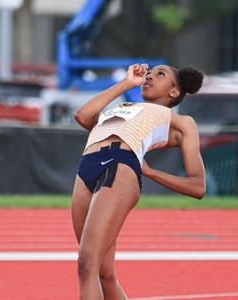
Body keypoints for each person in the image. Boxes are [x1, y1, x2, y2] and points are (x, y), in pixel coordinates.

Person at [72, 63, 206, 299]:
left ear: (174, 92)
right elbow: (83, 116)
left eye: (160, 74)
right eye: (151, 72)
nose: (151, 76)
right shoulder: (123, 107)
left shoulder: (180, 121)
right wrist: (127, 83)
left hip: (119, 166)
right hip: (86, 170)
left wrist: (152, 173)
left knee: (86, 264)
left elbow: (197, 185)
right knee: (105, 276)